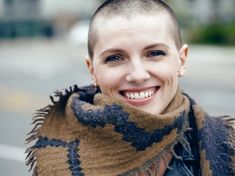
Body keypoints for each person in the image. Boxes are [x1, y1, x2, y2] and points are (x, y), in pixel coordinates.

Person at [26, 0, 235, 175]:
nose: (137, 75)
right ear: (92, 70)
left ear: (181, 60)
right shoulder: (55, 154)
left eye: (155, 54)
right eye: (115, 58)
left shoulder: (227, 147)